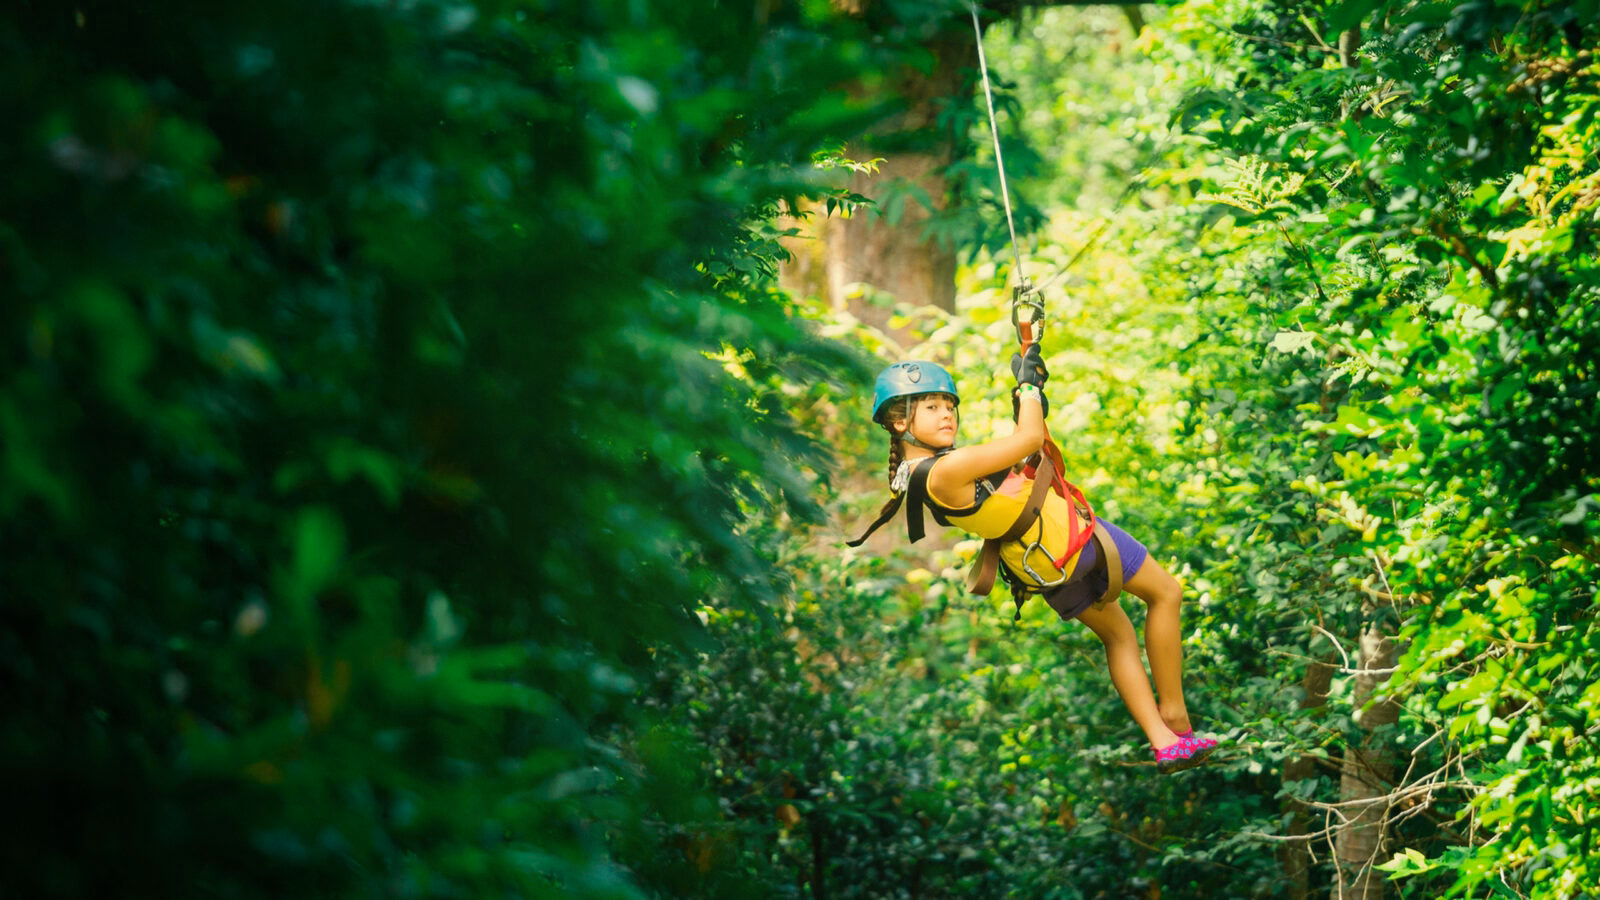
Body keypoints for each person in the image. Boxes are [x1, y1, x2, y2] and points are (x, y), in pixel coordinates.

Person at [857, 353, 1218, 773]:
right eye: (932, 407)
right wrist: (1028, 388)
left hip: (1041, 564)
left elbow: (1017, 458)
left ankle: (1164, 742)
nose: (947, 415)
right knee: (1167, 593)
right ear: (900, 422)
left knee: (1119, 637)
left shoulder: (921, 472)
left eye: (950, 406)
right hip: (1072, 539)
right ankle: (1175, 715)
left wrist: (1029, 402)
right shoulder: (946, 469)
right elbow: (1028, 441)